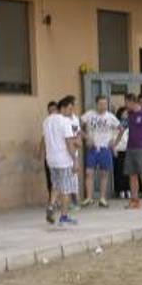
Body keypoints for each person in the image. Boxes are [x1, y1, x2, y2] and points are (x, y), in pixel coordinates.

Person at [43, 96, 81, 227]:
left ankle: (51, 206)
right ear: (63, 107)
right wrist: (75, 160)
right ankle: (64, 217)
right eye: (70, 108)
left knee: (55, 185)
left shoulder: (47, 121)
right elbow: (69, 143)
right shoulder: (65, 122)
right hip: (64, 160)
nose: (72, 111)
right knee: (66, 189)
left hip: (51, 159)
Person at [81, 95, 120, 208]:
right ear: (96, 104)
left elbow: (120, 128)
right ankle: (89, 197)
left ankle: (102, 198)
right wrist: (86, 137)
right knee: (89, 173)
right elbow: (77, 127)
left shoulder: (110, 117)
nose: (103, 106)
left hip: (105, 148)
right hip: (92, 148)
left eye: (105, 104)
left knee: (104, 174)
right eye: (101, 104)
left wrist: (114, 141)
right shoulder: (89, 114)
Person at [124, 95, 142, 210]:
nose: (125, 105)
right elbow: (122, 128)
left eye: (126, 103)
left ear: (132, 102)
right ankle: (134, 200)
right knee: (132, 175)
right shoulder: (129, 115)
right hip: (130, 147)